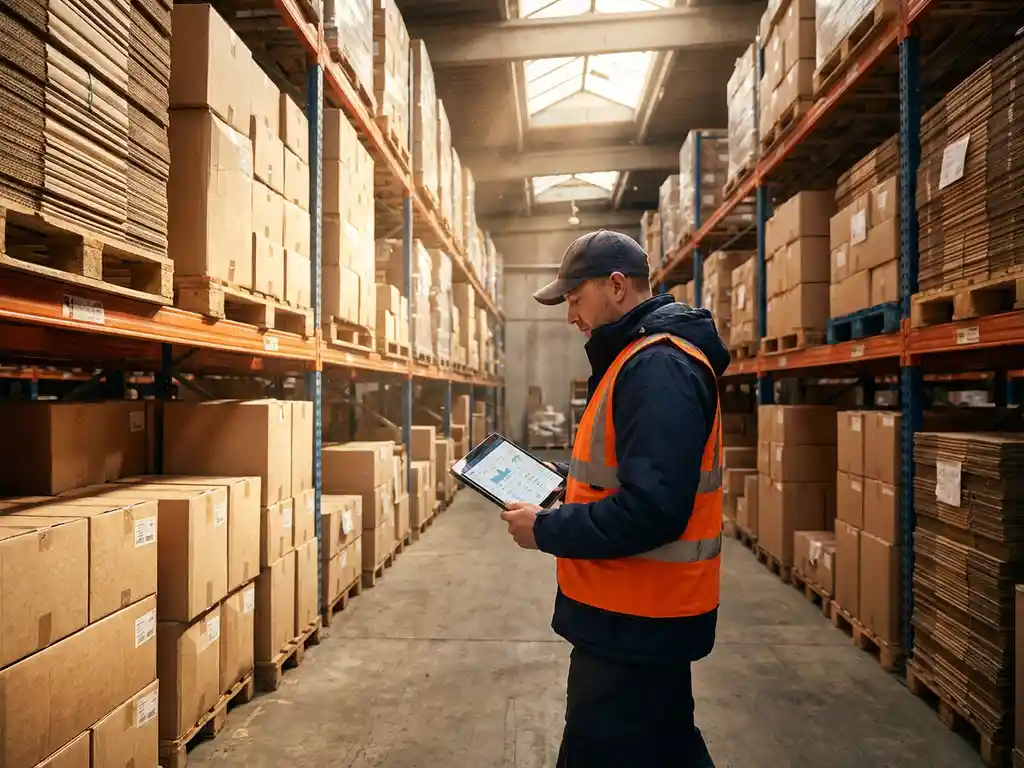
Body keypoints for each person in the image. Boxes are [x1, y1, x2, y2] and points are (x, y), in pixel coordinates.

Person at [499, 230, 728, 768]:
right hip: (639, 614)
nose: (570, 316)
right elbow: (631, 472)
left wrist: (547, 530)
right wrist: (561, 480)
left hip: (636, 617)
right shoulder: (640, 358)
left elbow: (654, 509)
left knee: (601, 750)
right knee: (666, 745)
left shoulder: (657, 367)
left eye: (576, 299)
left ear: (617, 286)